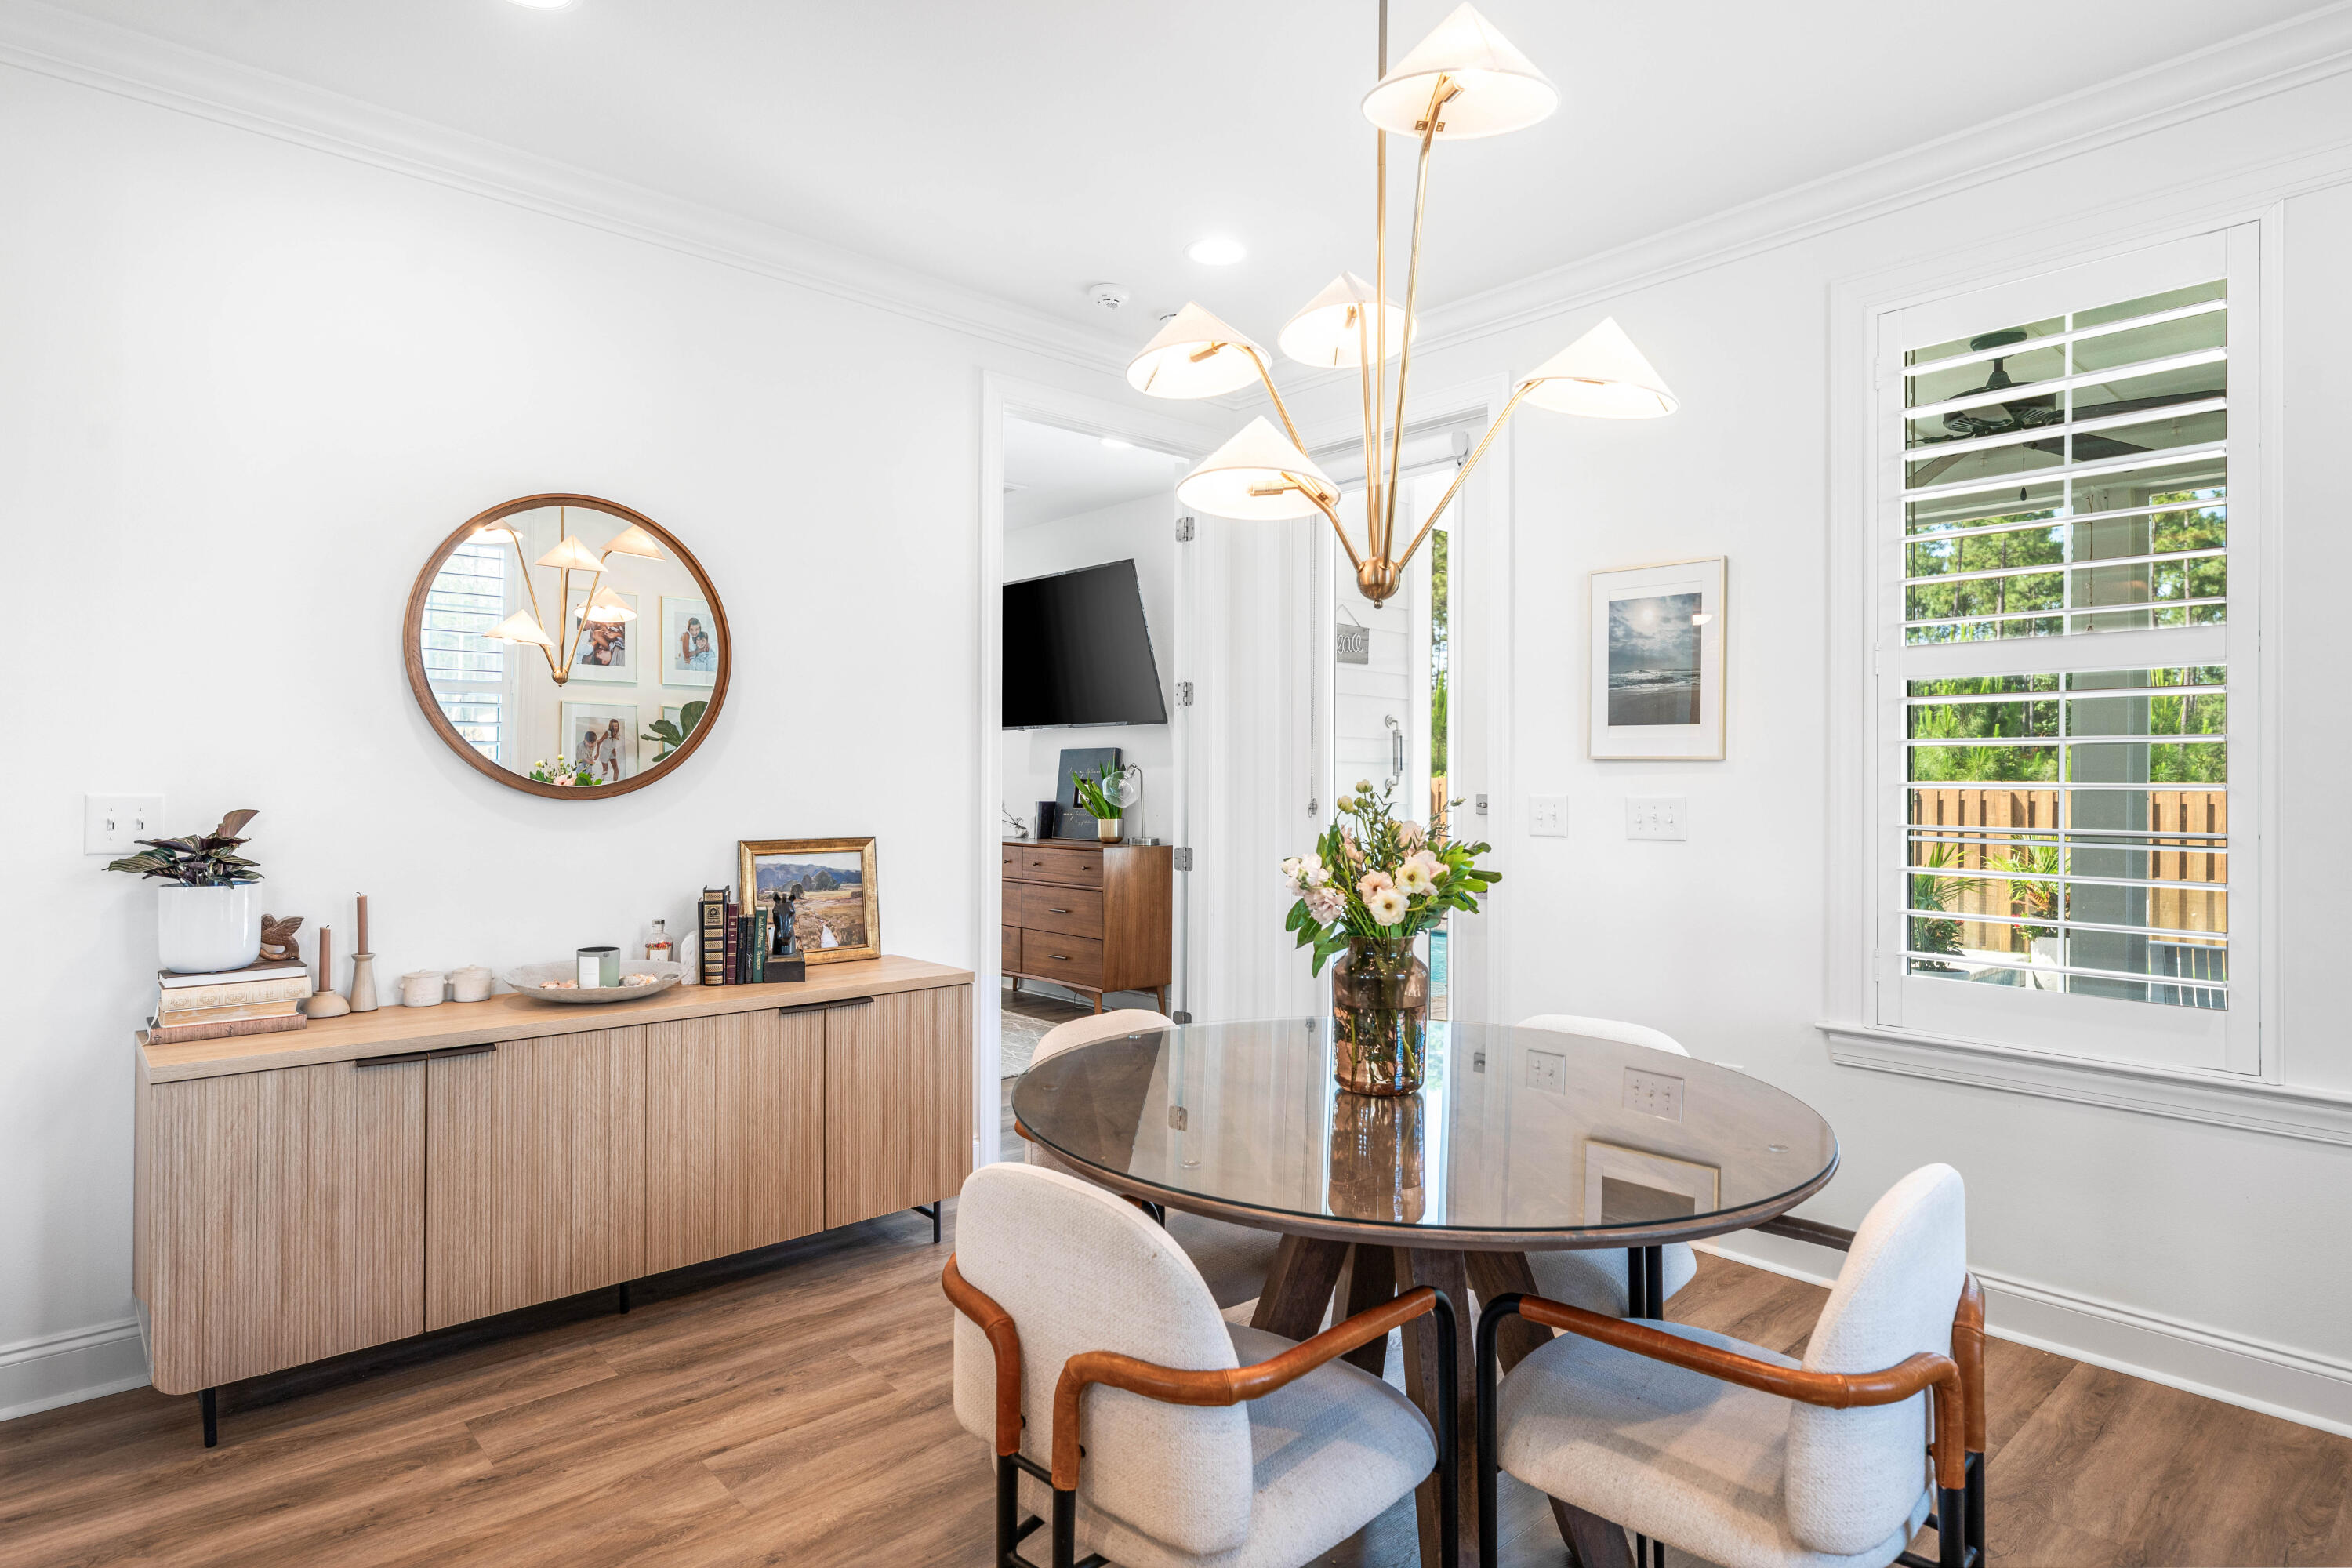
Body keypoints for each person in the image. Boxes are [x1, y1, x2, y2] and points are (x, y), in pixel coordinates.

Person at [601, 718, 624, 782]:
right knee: (605, 771)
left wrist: (614, 749)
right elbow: (600, 741)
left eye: (616, 726)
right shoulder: (607, 732)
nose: (615, 727)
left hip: (612, 752)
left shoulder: (618, 733)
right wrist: (597, 754)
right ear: (611, 726)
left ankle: (614, 784)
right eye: (613, 726)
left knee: (616, 770)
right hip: (605, 752)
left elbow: (614, 742)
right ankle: (600, 784)